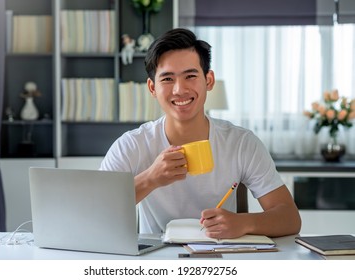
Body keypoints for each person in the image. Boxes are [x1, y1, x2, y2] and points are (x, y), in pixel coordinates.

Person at [100, 28, 301, 239]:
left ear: (209, 80)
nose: (179, 89)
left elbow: (290, 218)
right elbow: (97, 208)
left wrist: (243, 223)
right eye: (168, 79)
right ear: (152, 88)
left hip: (223, 259)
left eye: (190, 76)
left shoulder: (241, 143)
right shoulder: (132, 145)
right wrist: (151, 178)